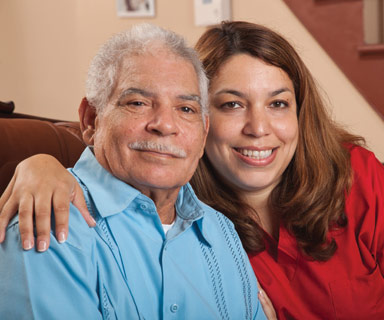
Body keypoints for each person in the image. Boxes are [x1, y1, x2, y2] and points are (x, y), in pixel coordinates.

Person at [0, 21, 384, 319]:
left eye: (278, 104)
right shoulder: (187, 216)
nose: (258, 129)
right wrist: (40, 165)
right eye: (231, 104)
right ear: (206, 124)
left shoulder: (351, 176)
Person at [0, 23, 267, 319]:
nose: (165, 125)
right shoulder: (48, 220)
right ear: (91, 120)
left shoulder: (222, 232)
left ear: (204, 134)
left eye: (186, 109)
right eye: (138, 103)